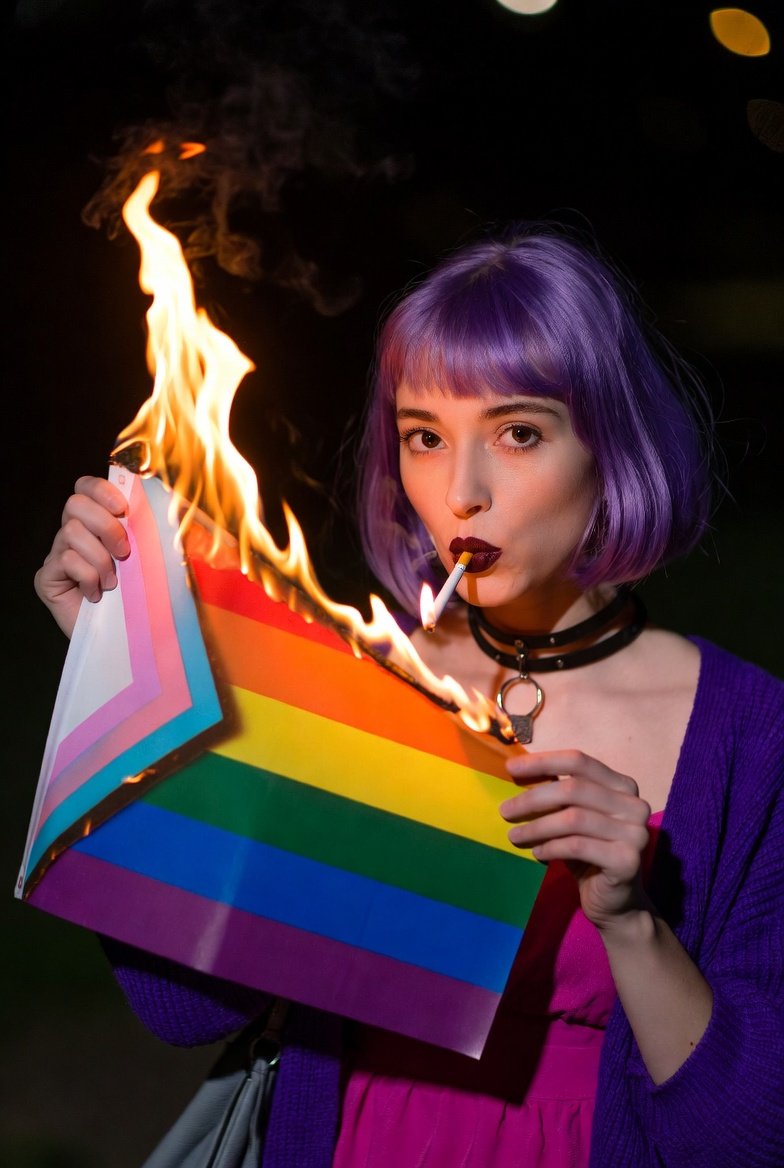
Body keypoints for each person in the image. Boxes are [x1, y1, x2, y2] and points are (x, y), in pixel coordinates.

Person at [34, 224, 784, 1168]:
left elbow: (746, 1136)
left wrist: (632, 923)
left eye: (517, 433)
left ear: (611, 443)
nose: (461, 491)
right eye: (425, 437)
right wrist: (118, 674)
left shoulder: (750, 734)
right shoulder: (359, 678)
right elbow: (185, 1006)